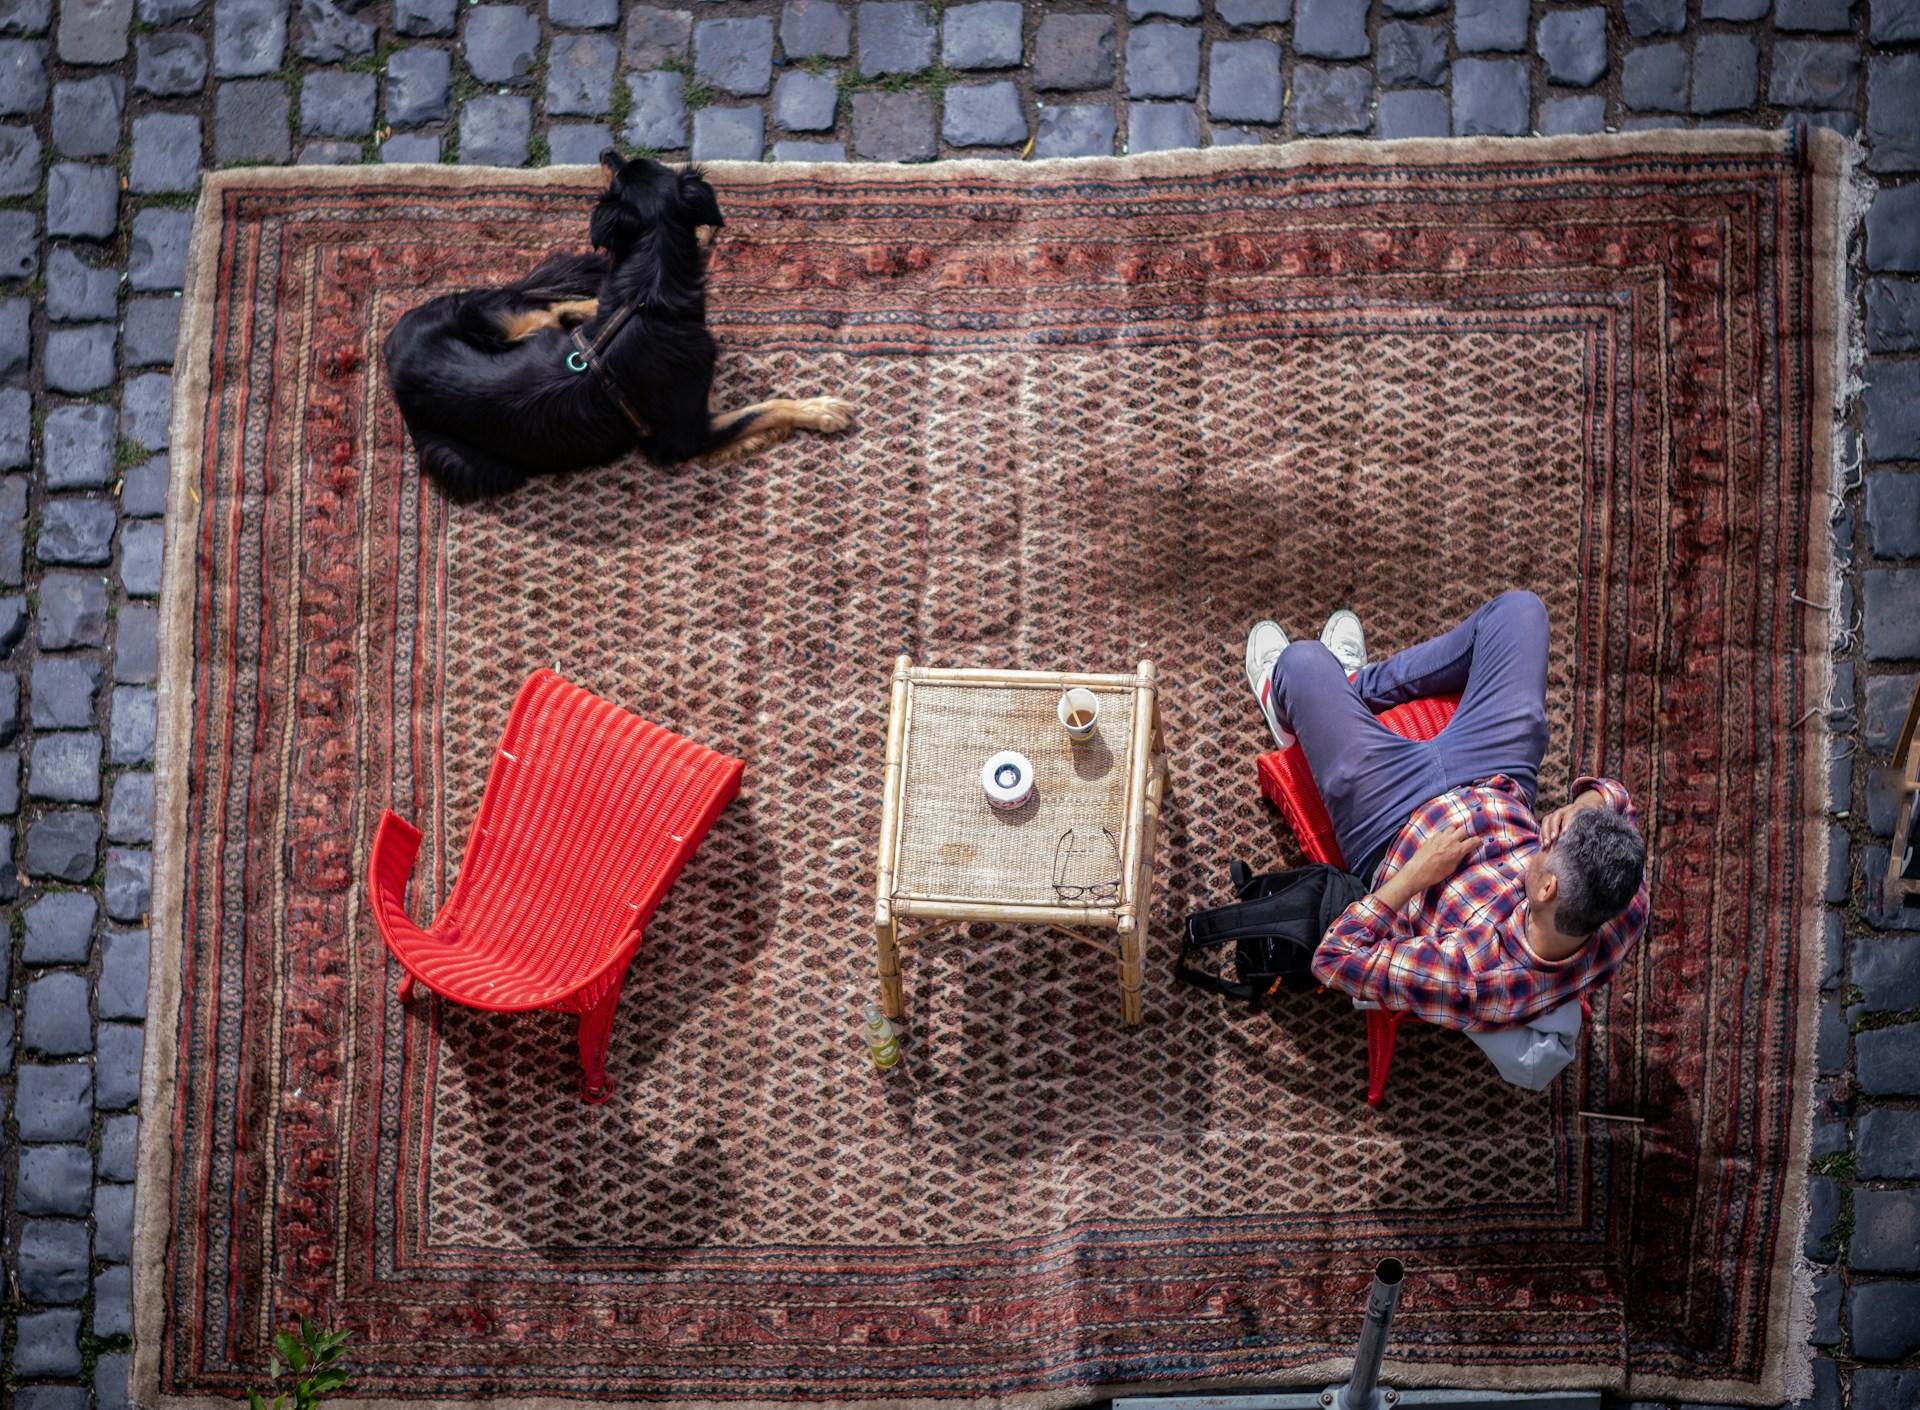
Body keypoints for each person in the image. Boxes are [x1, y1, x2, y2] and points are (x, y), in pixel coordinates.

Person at [1242, 590, 1649, 1032]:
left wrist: (1416, 874)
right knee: (1519, 611)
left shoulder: (1472, 978)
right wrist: (1586, 804)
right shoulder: (1623, 902)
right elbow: (1620, 804)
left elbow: (1336, 958)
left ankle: (1294, 704)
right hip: (1497, 776)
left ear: (1548, 888)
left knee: (1301, 662)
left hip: (1392, 818)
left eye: (1547, 845)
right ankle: (1357, 685)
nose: (1545, 835)